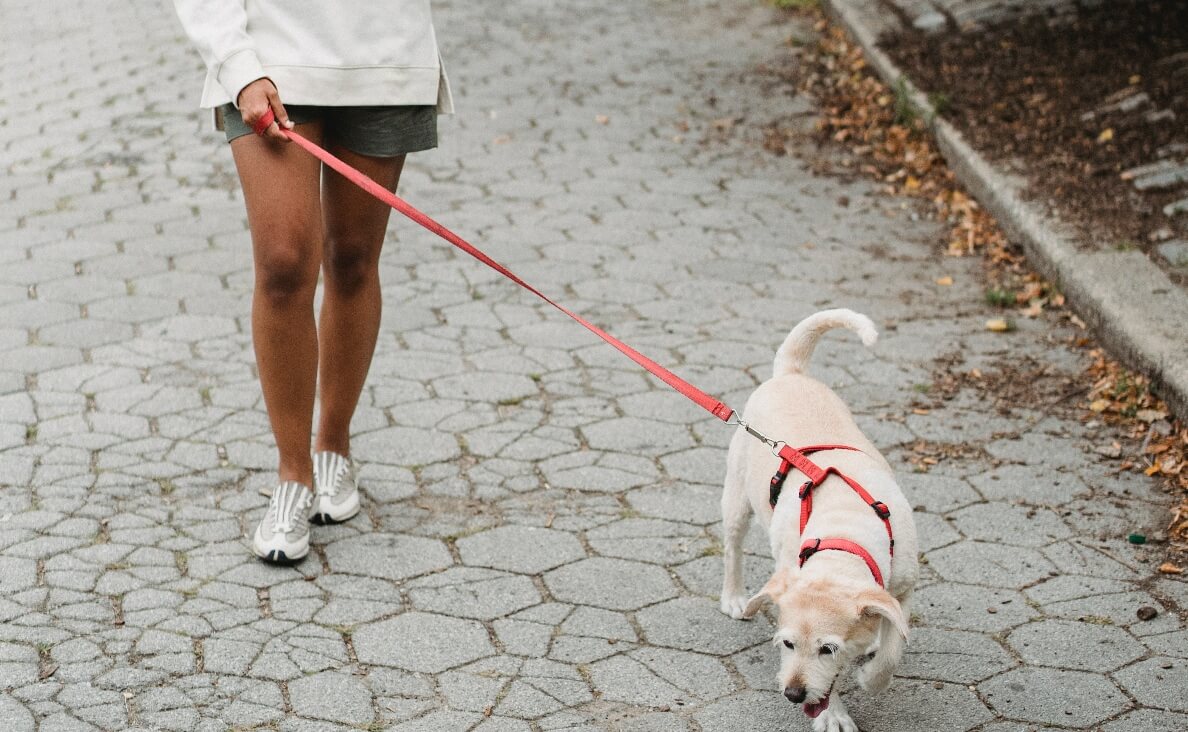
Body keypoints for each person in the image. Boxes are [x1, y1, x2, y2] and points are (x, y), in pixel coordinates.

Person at [171, 0, 453, 563]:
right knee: (282, 265)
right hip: (268, 54)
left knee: (352, 257)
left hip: (384, 54)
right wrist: (236, 61)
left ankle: (333, 448)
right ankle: (292, 478)